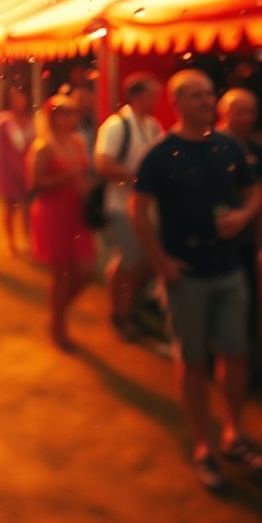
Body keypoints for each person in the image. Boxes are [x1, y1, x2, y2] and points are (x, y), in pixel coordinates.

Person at [131, 69, 262, 491]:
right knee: (191, 360)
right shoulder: (160, 153)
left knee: (236, 354)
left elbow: (254, 191)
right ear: (177, 103)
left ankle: (234, 435)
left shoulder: (228, 146)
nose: (207, 102)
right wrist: (162, 263)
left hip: (229, 270)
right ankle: (203, 445)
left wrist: (243, 216)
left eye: (210, 94)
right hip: (186, 275)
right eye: (197, 96)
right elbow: (138, 209)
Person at [94, 74, 164, 341]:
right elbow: (103, 165)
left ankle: (126, 309)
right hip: (120, 206)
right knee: (132, 259)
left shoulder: (153, 125)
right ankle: (120, 314)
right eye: (153, 95)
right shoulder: (116, 126)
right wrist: (139, 180)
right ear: (138, 96)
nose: (157, 100)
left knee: (137, 261)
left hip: (145, 209)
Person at [27, 95, 97, 351]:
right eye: (63, 114)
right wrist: (65, 176)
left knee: (87, 269)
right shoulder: (43, 146)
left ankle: (57, 314)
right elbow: (35, 184)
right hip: (52, 212)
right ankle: (59, 325)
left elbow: (84, 175)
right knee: (62, 274)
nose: (70, 119)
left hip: (76, 210)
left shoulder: (78, 142)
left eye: (72, 113)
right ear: (52, 117)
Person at [217, 88, 262, 353]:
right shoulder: (213, 145)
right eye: (241, 112)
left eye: (251, 112)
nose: (248, 118)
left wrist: (260, 231)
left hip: (247, 238)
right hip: (218, 239)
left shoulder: (257, 150)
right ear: (225, 113)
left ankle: (244, 358)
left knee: (247, 299)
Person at [0, 87, 36, 257]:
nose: (19, 102)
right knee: (9, 208)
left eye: (21, 97)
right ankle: (11, 242)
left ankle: (29, 241)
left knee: (27, 209)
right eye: (15, 98)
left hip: (27, 171)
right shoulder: (3, 120)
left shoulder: (32, 119)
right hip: (8, 171)